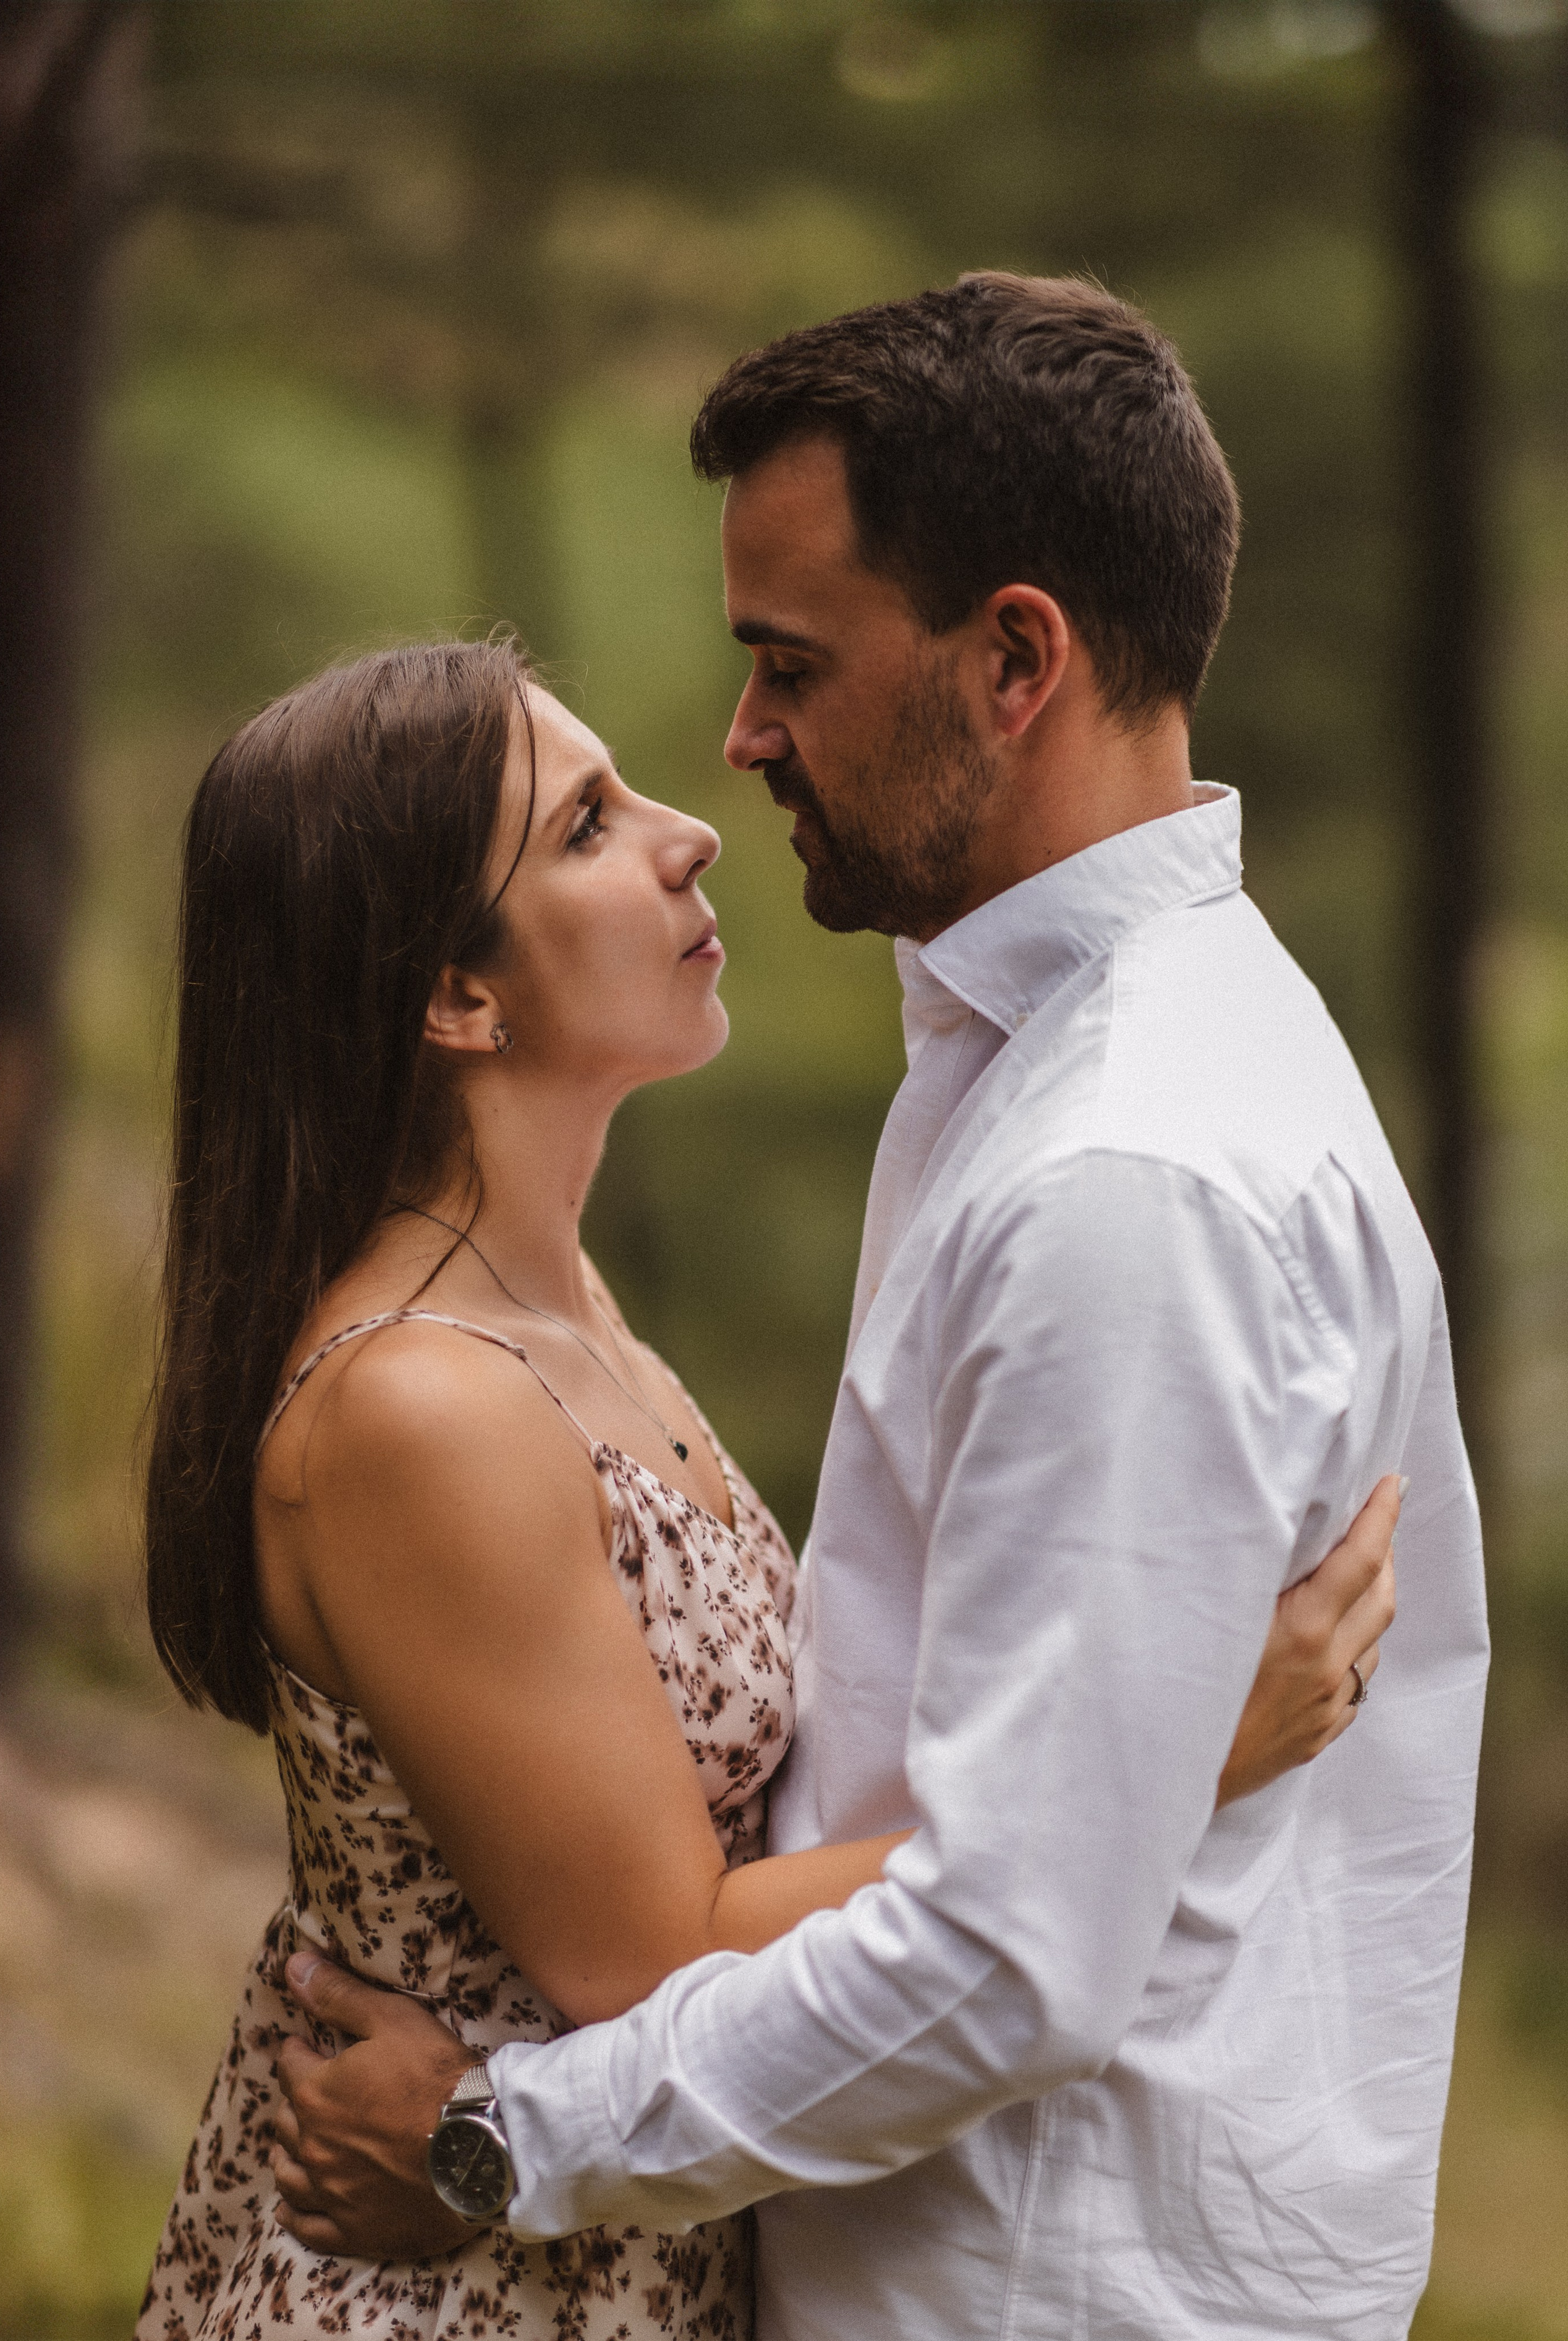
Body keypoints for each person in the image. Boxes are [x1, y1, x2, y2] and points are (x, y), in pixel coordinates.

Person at [269, 275, 1489, 2340]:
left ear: (1017, 658)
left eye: (787, 666)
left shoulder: (1124, 1176)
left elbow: (1015, 1947)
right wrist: (1167, 1750)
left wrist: (499, 2140)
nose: (735, 745)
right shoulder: (1048, 1061)